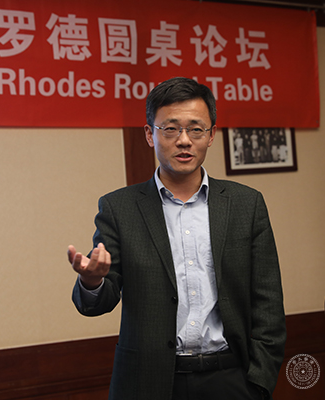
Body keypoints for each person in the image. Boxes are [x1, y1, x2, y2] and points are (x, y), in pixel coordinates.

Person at [68, 77, 286, 400]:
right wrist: (92, 281)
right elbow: (99, 301)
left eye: (196, 129)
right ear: (149, 134)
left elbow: (268, 300)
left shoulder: (245, 204)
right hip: (149, 382)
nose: (184, 140)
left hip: (231, 378)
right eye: (170, 129)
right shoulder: (119, 208)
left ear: (211, 135)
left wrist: (259, 382)